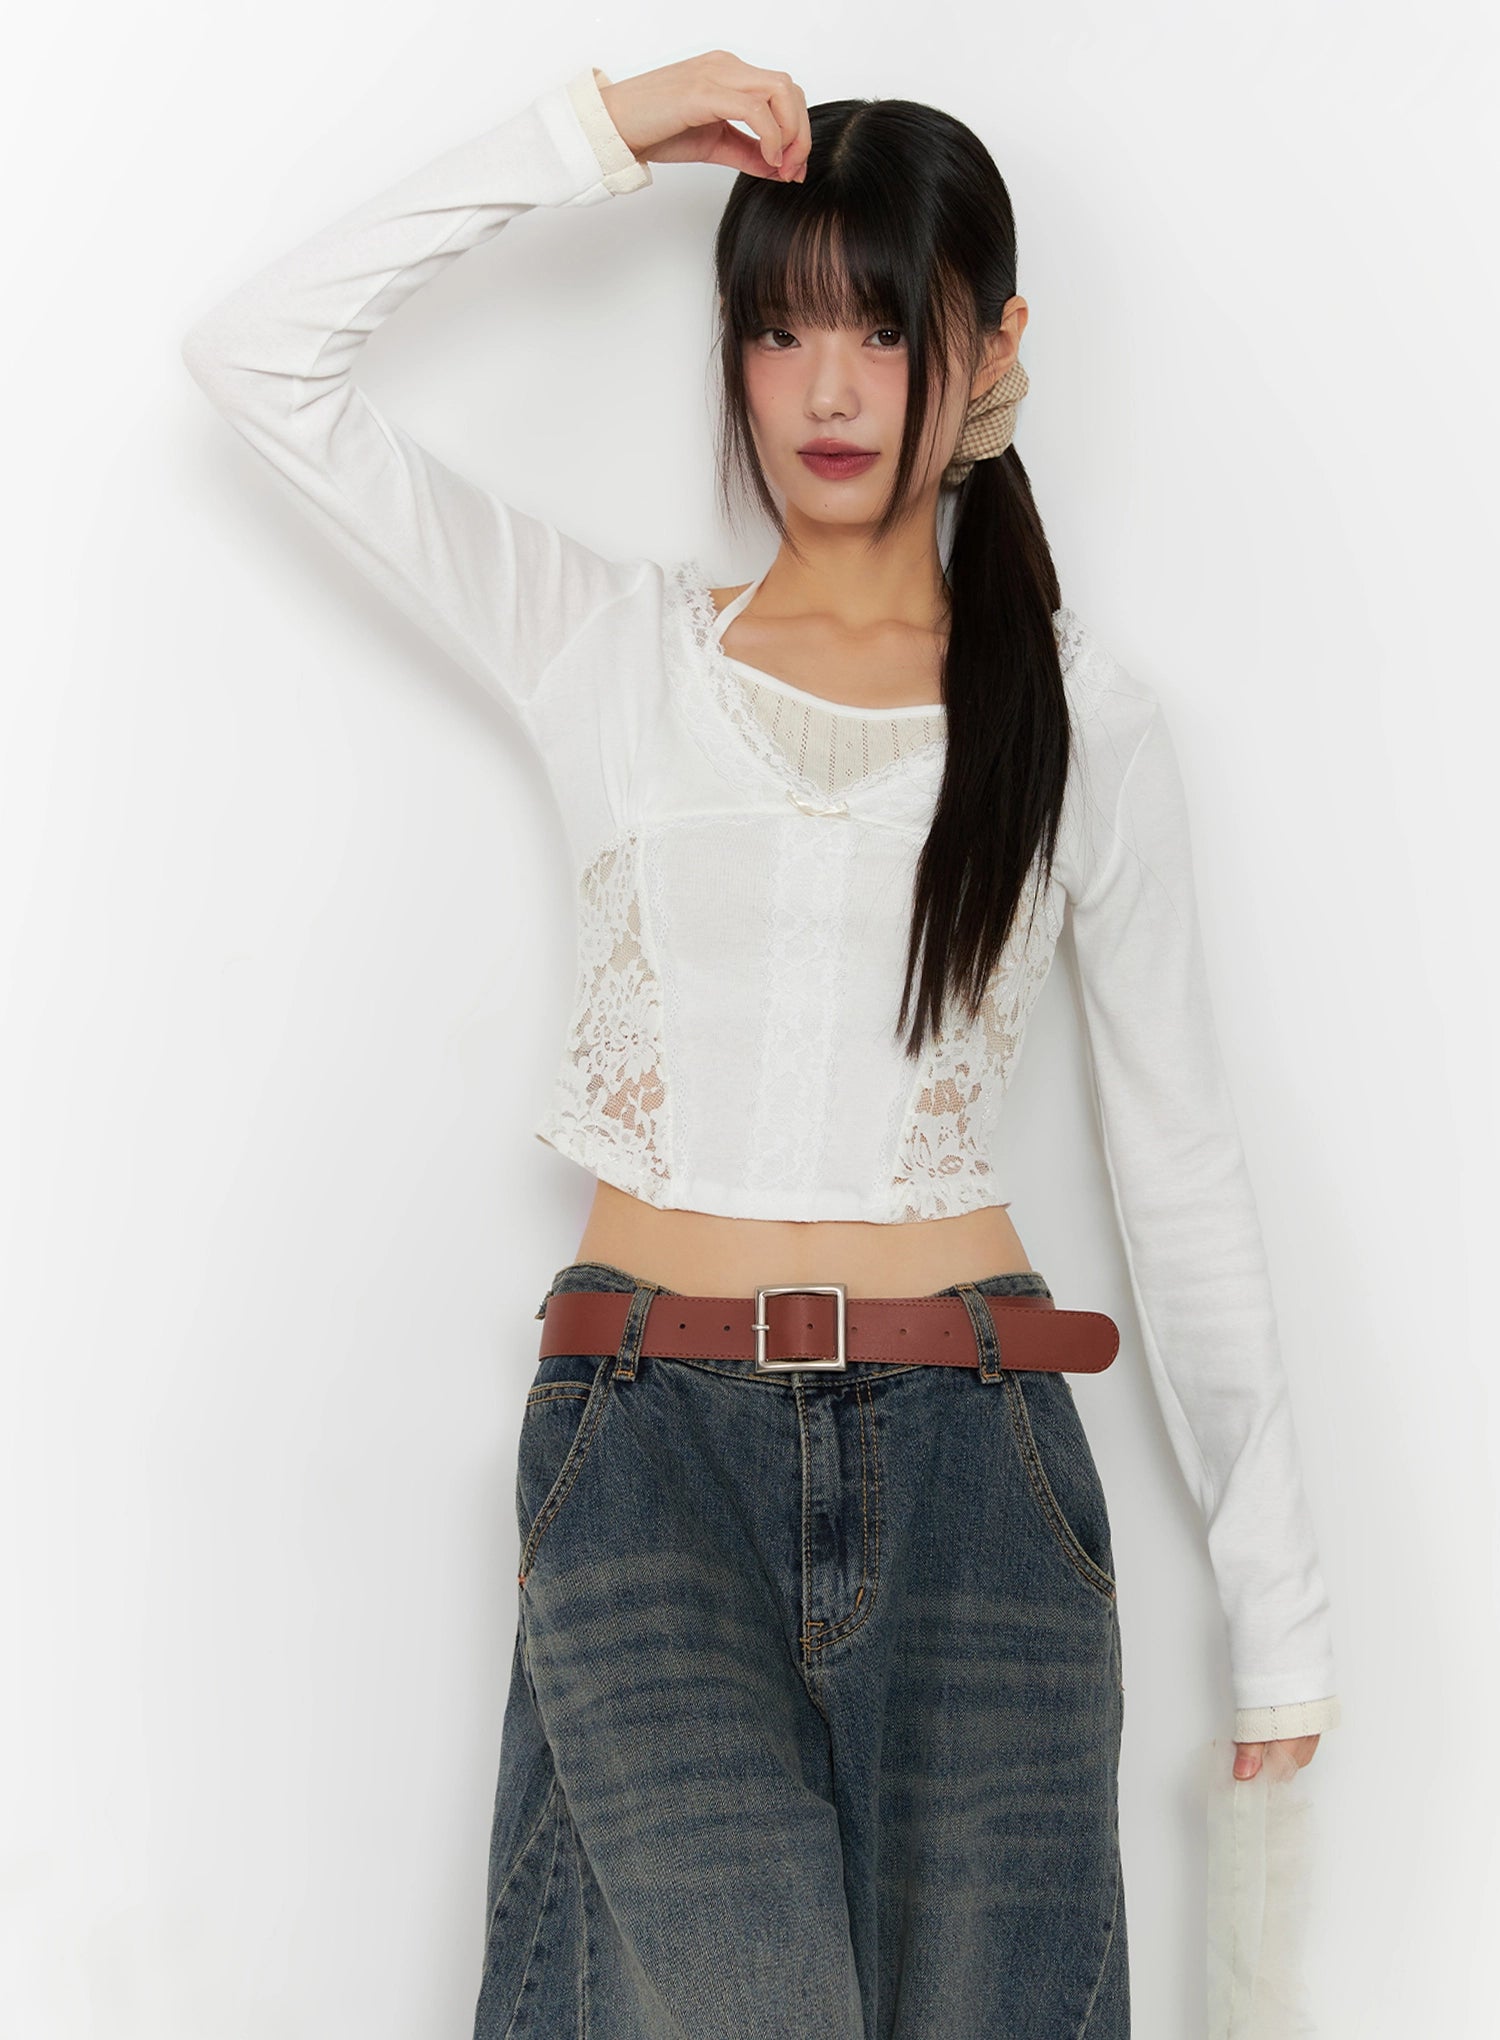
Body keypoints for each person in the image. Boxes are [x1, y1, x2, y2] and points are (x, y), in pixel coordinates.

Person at [179, 46, 1341, 2037]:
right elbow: (255, 359)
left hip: (983, 1473)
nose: (826, 390)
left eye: (883, 329)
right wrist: (607, 129)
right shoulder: (612, 649)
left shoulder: (1081, 722)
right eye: (780, 328)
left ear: (992, 351)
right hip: (648, 1454)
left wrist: (1279, 1615)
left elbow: (1183, 1163)